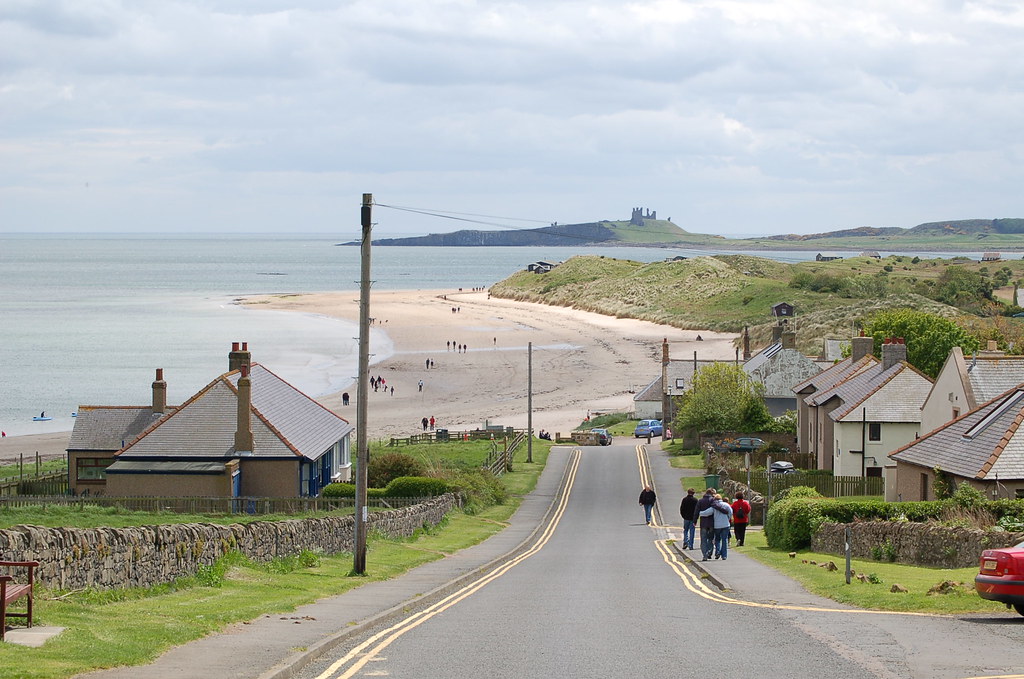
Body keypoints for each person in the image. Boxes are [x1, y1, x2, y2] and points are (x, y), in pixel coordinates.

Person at [700, 494, 733, 560]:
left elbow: (707, 513)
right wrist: (727, 519)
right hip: (726, 525)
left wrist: (699, 513)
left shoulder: (714, 507)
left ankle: (717, 552)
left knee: (717, 540)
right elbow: (730, 513)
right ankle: (724, 556)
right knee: (724, 540)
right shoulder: (726, 505)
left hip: (717, 525)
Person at [696, 488, 717, 561]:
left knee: (703, 540)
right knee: (711, 539)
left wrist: (694, 521)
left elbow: (696, 511)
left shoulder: (700, 501)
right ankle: (709, 552)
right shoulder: (713, 500)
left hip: (703, 523)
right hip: (711, 523)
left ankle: (704, 555)